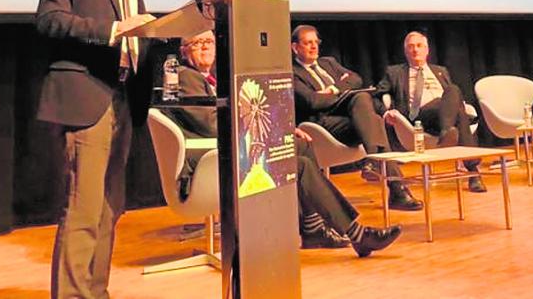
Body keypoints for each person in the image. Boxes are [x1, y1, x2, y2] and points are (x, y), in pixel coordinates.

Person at [163, 30, 402, 257]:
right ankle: (355, 233)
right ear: (184, 51)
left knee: (302, 146)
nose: (205, 47)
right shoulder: (185, 77)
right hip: (211, 160)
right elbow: (212, 125)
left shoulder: (208, 78)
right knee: (301, 166)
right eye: (197, 43)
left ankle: (313, 228)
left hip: (230, 150)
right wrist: (269, 133)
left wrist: (283, 130)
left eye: (209, 42)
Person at [36, 0, 155, 299]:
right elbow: (50, 18)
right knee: (83, 209)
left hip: (123, 95)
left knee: (108, 210)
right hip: (87, 94)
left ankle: (95, 293)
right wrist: (114, 30)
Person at [291, 24, 423, 211]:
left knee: (366, 106)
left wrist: (332, 90)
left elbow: (355, 79)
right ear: (295, 47)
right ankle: (396, 188)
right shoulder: (292, 72)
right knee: (370, 114)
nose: (314, 47)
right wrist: (341, 90)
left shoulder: (329, 62)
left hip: (349, 119)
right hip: (321, 123)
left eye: (316, 42)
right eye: (307, 43)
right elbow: (312, 102)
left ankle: (383, 173)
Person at [375, 30, 487, 193]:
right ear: (406, 51)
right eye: (411, 47)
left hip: (444, 115)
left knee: (454, 93)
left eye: (419, 46)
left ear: (427, 50)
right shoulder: (394, 72)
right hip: (418, 118)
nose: (415, 50)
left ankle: (446, 131)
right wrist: (386, 112)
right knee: (455, 100)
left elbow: (451, 98)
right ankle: (473, 173)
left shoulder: (440, 70)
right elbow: (376, 96)